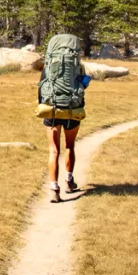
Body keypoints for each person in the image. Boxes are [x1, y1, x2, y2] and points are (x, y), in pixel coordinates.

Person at [37, 34, 90, 203]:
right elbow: (85, 84)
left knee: (53, 150)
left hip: (52, 109)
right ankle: (69, 180)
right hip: (73, 109)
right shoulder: (78, 67)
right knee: (69, 146)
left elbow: (41, 88)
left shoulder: (48, 66)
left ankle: (54, 188)